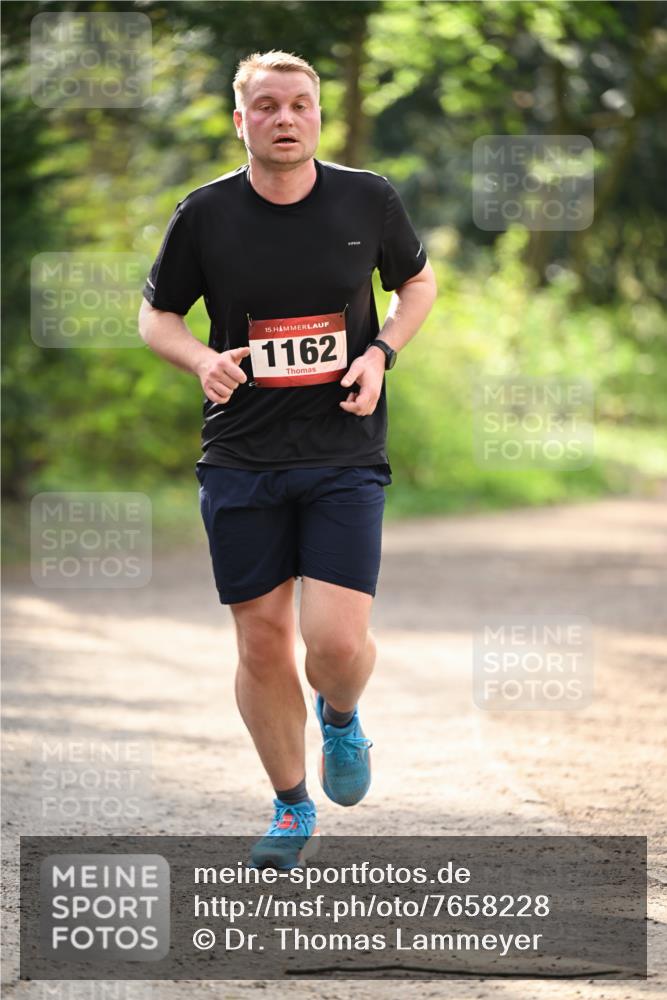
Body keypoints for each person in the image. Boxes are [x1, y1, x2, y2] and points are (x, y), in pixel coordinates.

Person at [138, 50, 437, 870]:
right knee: (262, 643)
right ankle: (288, 805)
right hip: (240, 452)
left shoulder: (366, 197)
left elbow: (417, 285)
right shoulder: (204, 214)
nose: (283, 118)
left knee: (334, 644)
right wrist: (200, 360)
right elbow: (156, 316)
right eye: (265, 106)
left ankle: (340, 716)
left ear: (316, 115)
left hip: (344, 448)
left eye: (298, 104)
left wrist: (379, 352)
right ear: (241, 120)